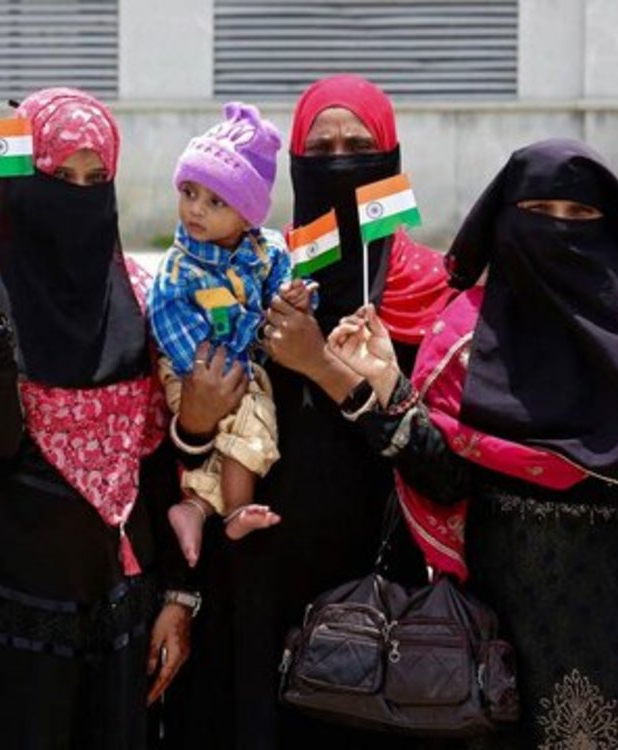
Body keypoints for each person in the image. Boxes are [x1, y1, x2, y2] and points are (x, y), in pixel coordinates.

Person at [327, 138, 618, 748]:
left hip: (617, 618)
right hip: (491, 617)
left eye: (580, 214)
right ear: (504, 220)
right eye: (539, 212)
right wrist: (386, 386)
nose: (558, 229)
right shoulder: (464, 331)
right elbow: (446, 479)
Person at [164, 75, 456, 748]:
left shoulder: (433, 292)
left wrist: (324, 366)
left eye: (359, 146)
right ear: (295, 162)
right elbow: (190, 431)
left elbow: (447, 469)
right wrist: (197, 424)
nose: (340, 160)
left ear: (391, 160)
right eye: (321, 148)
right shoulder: (258, 273)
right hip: (255, 576)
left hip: (379, 595)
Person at [0, 87, 194, 750]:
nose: (77, 196)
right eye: (59, 178)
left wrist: (179, 597)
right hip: (8, 620)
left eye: (94, 179)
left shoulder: (140, 297)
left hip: (121, 617)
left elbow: (160, 466)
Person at [148, 102, 313, 567]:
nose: (196, 209)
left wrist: (296, 298)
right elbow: (172, 328)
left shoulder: (266, 249)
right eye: (189, 192)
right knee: (253, 419)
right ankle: (237, 509)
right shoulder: (180, 268)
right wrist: (222, 381)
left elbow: (283, 285)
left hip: (236, 367)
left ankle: (196, 508)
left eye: (216, 201)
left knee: (241, 430)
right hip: (196, 371)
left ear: (247, 217)